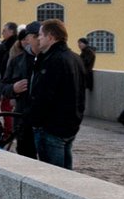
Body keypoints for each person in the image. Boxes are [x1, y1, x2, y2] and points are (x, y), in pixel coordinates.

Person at [27, 18, 85, 169]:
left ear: (50, 37)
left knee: (53, 176)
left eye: (40, 35)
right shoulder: (75, 58)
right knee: (66, 174)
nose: (38, 38)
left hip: (51, 127)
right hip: (69, 126)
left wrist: (35, 121)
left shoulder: (53, 60)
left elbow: (44, 95)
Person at [1, 25, 41, 158]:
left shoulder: (51, 59)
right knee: (26, 156)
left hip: (44, 122)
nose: (39, 39)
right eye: (35, 36)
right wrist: (13, 89)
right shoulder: (17, 61)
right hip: (23, 118)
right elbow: (3, 87)